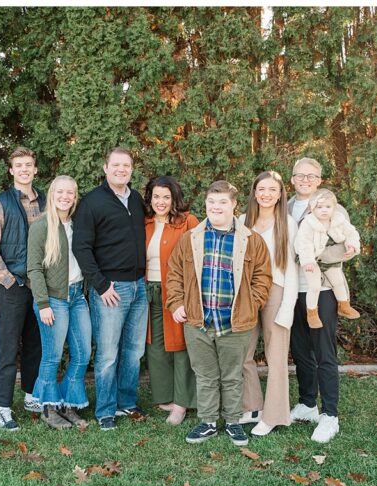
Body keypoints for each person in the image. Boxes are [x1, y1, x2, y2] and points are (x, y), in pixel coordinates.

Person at [166, 180, 272, 446]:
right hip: (197, 319)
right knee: (205, 375)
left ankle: (233, 422)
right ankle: (209, 421)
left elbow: (262, 277)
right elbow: (175, 274)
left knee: (232, 375)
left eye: (223, 202)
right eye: (211, 202)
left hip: (235, 322)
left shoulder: (251, 240)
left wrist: (252, 304)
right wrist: (177, 303)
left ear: (234, 205)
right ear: (206, 204)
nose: (216, 207)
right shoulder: (191, 238)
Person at [72, 147, 148, 431]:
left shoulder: (136, 199)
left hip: (139, 286)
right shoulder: (92, 202)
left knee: (134, 350)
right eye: (115, 165)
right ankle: (105, 410)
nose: (121, 169)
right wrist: (101, 285)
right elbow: (81, 247)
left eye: (126, 165)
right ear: (105, 168)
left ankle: (126, 402)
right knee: (107, 353)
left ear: (131, 168)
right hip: (110, 289)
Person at [287, 157, 356, 443]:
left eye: (311, 176)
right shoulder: (286, 206)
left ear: (319, 179)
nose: (305, 179)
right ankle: (307, 404)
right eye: (300, 175)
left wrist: (314, 258)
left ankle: (330, 415)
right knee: (300, 348)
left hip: (323, 288)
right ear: (292, 179)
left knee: (324, 350)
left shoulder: (334, 208)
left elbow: (344, 247)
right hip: (293, 288)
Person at [0, 146, 46, 432]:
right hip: (13, 285)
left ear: (35, 169)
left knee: (36, 344)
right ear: (11, 170)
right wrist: (8, 279)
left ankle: (31, 395)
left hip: (40, 286)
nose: (24, 169)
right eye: (18, 165)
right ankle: (2, 406)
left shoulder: (45, 201)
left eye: (28, 164)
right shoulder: (1, 203)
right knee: (7, 347)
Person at [27, 176, 91, 429]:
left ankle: (67, 403)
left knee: (83, 353)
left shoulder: (78, 225)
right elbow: (33, 268)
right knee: (52, 356)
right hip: (53, 299)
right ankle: (48, 407)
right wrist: (43, 303)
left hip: (77, 297)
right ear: (52, 194)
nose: (65, 197)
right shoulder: (41, 226)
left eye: (70, 193)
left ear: (75, 197)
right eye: (60, 192)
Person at [238, 171, 298, 437]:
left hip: (276, 290)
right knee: (243, 351)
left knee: (275, 357)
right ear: (254, 192)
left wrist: (288, 306)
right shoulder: (242, 221)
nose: (266, 194)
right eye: (261, 189)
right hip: (247, 291)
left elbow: (293, 270)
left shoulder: (287, 223)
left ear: (280, 193)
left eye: (272, 189)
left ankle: (274, 415)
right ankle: (252, 406)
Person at [142, 176, 199, 426]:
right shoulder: (144, 222)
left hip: (177, 292)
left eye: (166, 196)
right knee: (155, 345)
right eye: (156, 196)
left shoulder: (188, 222)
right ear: (150, 199)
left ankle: (182, 402)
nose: (161, 201)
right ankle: (165, 396)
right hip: (149, 290)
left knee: (180, 346)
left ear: (174, 198)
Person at [295, 188, 361, 328]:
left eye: (328, 207)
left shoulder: (338, 220)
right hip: (311, 260)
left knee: (338, 282)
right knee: (314, 286)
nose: (324, 210)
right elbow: (303, 243)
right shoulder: (308, 223)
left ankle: (344, 305)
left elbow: (352, 233)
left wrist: (352, 246)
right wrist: (307, 261)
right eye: (319, 207)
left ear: (334, 208)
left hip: (329, 260)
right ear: (312, 208)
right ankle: (312, 313)